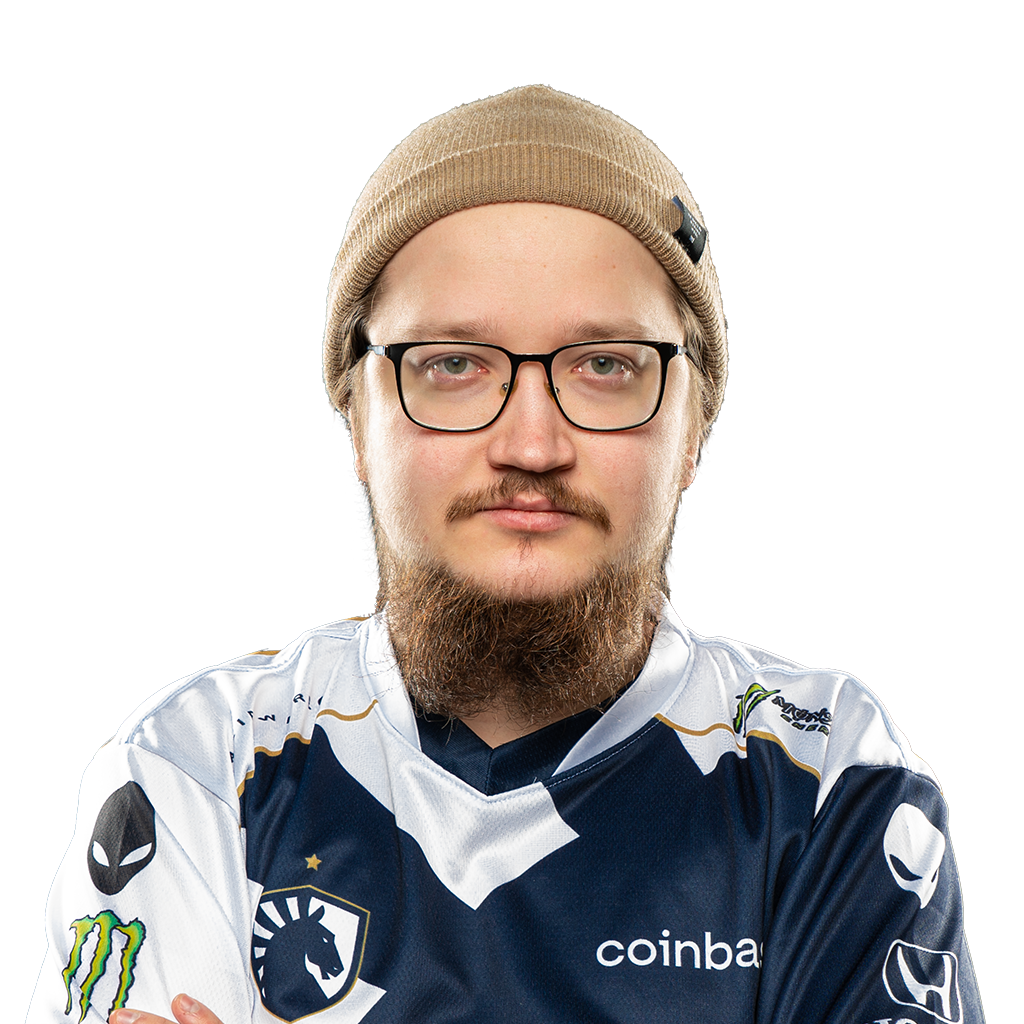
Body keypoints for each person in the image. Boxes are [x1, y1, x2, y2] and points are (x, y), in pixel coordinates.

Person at [29, 85, 983, 1024]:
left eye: (606, 365)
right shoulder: (201, 763)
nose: (532, 444)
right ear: (354, 419)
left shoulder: (829, 778)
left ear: (694, 426)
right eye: (452, 363)